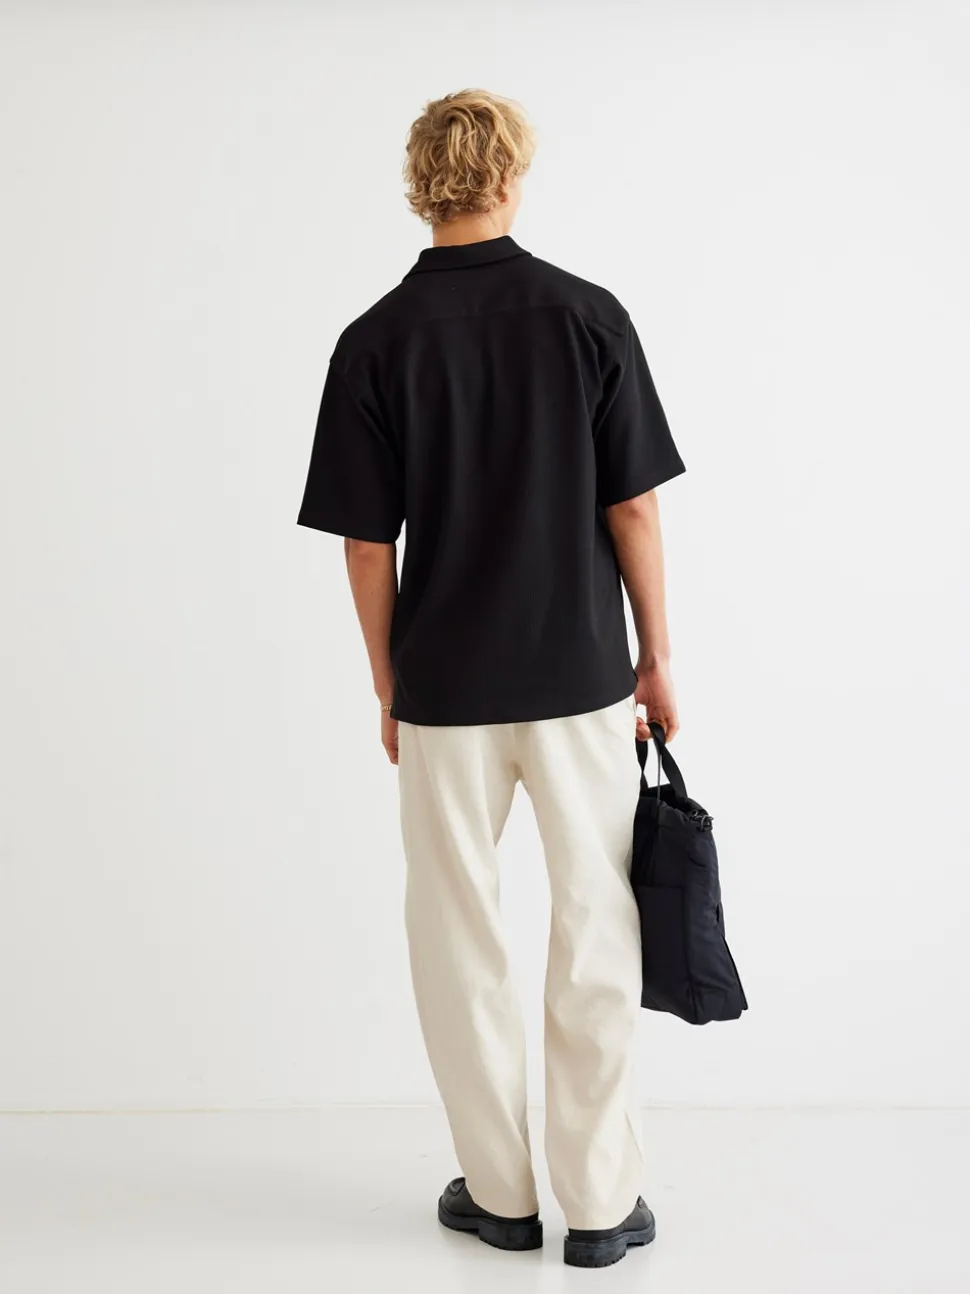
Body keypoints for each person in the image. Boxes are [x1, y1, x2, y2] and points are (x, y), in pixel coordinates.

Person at [297, 89, 685, 1269]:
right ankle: (601, 1204)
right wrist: (656, 657)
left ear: (421, 185)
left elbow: (368, 545)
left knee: (455, 929)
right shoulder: (587, 316)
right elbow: (631, 507)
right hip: (580, 676)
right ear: (513, 176)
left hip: (446, 685)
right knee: (597, 923)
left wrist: (386, 681)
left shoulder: (374, 339)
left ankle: (502, 1194)